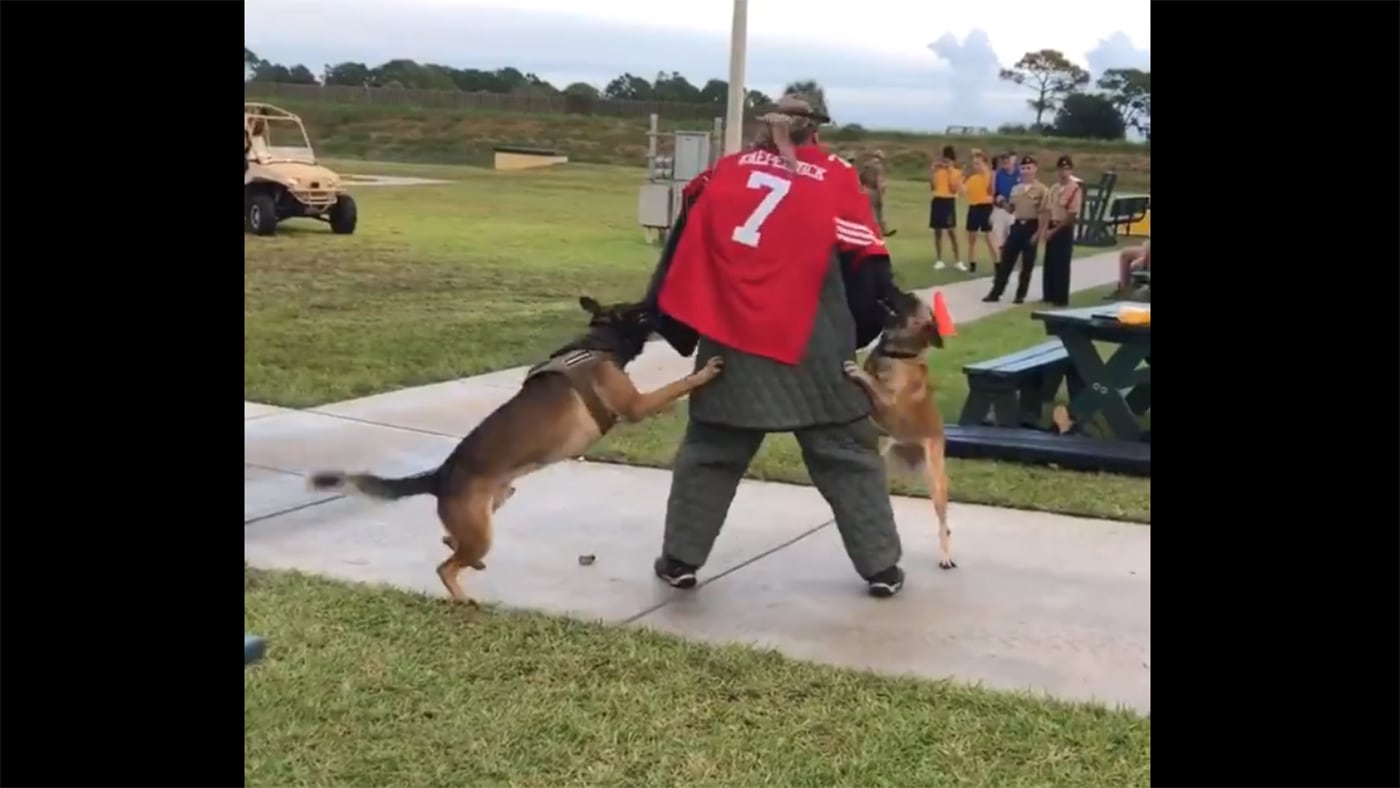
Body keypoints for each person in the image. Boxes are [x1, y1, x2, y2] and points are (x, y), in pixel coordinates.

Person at [643, 94, 908, 598]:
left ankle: (680, 560)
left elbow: (683, 249)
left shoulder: (724, 172)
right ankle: (881, 568)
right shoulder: (834, 177)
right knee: (847, 453)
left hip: (731, 340)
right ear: (815, 130)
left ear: (767, 126)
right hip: (815, 343)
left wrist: (674, 322)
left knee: (711, 452)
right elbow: (868, 265)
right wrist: (853, 334)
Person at [982, 155, 1049, 304]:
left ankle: (1020, 294)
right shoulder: (1016, 189)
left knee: (1027, 263)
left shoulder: (1042, 190)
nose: (1026, 171)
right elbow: (1011, 209)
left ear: (1035, 169)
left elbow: (1044, 213)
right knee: (1006, 260)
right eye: (1023, 168)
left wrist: (1039, 233)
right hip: (1017, 225)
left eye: (1029, 168)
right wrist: (1001, 201)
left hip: (1032, 226)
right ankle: (996, 292)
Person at [1040, 155, 1084, 306]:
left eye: (1067, 169)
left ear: (1071, 170)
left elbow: (1072, 214)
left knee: (1061, 264)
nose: (1063, 172)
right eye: (1061, 169)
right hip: (1052, 224)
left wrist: (1054, 231)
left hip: (1064, 228)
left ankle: (1060, 298)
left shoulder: (1075, 189)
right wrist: (1045, 229)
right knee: (1050, 262)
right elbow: (1048, 209)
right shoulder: (1054, 188)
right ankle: (1049, 294)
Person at [961, 149, 996, 273]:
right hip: (974, 207)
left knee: (989, 237)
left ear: (984, 164)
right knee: (971, 238)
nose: (976, 166)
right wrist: (962, 180)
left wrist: (979, 155)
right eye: (974, 164)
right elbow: (964, 191)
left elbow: (991, 187)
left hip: (985, 207)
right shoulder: (973, 178)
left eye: (978, 164)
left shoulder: (989, 175)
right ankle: (972, 263)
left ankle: (997, 263)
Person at [929, 145, 963, 270]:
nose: (945, 162)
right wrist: (932, 171)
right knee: (937, 232)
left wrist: (949, 171)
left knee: (951, 232)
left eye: (948, 159)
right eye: (944, 159)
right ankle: (939, 260)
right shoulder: (938, 171)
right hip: (937, 200)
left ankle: (958, 261)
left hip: (949, 201)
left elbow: (954, 189)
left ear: (952, 161)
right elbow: (933, 186)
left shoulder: (957, 172)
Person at [859, 149, 896, 236]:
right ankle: (882, 231)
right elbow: (879, 181)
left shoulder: (866, 165)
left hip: (865, 189)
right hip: (874, 190)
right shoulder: (879, 167)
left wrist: (862, 188)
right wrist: (881, 194)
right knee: (878, 211)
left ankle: (868, 229)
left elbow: (861, 177)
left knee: (868, 211)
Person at [990, 152, 1019, 257]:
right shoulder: (998, 174)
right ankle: (1003, 262)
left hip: (1016, 210)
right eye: (1003, 159)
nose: (1005, 162)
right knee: (1000, 241)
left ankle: (1013, 260)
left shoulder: (1019, 173)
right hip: (1001, 209)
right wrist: (1003, 203)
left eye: (1007, 159)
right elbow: (994, 193)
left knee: (1013, 238)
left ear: (1013, 160)